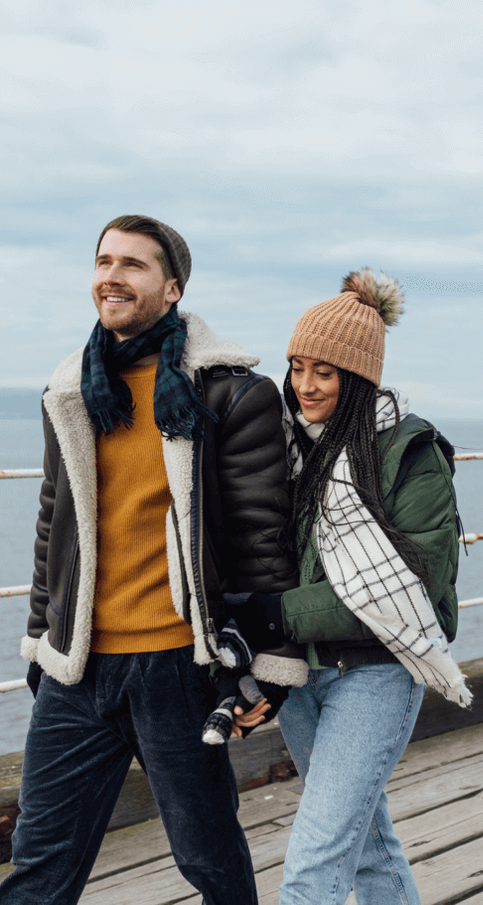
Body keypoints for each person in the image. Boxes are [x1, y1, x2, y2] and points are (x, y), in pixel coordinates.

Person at [4, 214, 304, 905]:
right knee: (39, 867)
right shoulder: (72, 392)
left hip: (178, 667)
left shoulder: (230, 394)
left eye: (132, 264)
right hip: (78, 670)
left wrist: (269, 667)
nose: (112, 275)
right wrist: (41, 640)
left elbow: (265, 542)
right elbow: (55, 525)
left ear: (171, 289)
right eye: (104, 260)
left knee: (208, 857)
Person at [231, 268, 468, 905]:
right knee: (365, 847)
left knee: (314, 862)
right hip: (306, 676)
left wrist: (276, 614)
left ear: (358, 378)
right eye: (297, 366)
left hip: (378, 672)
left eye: (325, 372)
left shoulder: (410, 453)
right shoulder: (284, 448)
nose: (305, 386)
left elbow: (414, 586)